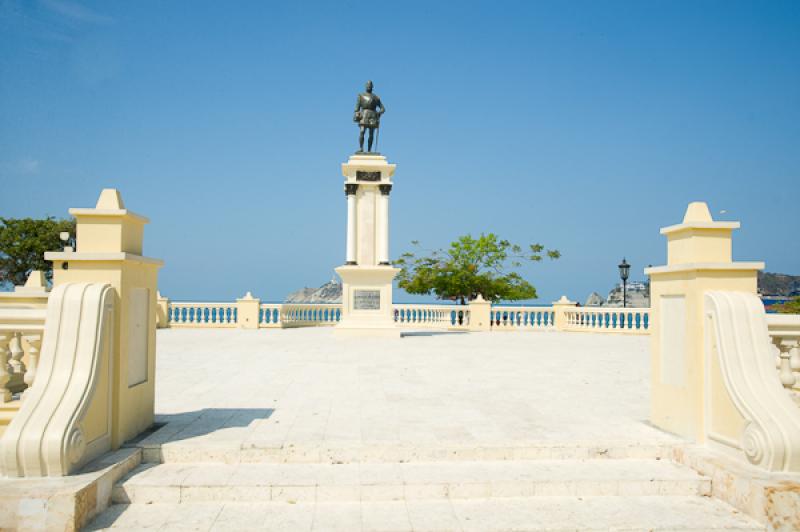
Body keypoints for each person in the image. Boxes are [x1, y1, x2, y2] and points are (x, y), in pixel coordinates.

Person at [353, 80, 386, 152]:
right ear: (365, 86)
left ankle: (369, 150)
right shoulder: (361, 96)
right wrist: (357, 113)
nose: (368, 86)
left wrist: (378, 113)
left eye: (370, 85)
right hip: (364, 115)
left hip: (373, 116)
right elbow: (357, 108)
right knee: (362, 131)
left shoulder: (376, 97)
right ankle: (361, 148)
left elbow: (383, 108)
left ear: (372, 87)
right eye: (367, 85)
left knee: (371, 134)